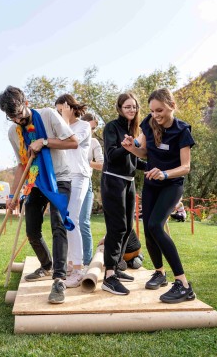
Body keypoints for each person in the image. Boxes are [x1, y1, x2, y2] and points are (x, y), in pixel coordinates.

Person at [0, 86, 78, 304]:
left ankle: (59, 280)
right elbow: (21, 164)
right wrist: (13, 195)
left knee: (58, 224)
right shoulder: (13, 132)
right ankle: (46, 265)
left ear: (27, 101)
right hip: (35, 180)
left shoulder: (48, 115)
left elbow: (73, 142)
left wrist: (43, 142)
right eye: (11, 117)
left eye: (19, 113)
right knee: (32, 230)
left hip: (60, 177)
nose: (17, 119)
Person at [122, 87, 196, 304]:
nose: (156, 115)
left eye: (160, 110)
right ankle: (160, 273)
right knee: (148, 229)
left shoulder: (182, 131)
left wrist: (165, 173)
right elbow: (143, 151)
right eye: (153, 111)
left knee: (155, 225)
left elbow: (186, 167)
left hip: (172, 185)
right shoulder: (148, 123)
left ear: (172, 106)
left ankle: (183, 285)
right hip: (152, 184)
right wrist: (130, 148)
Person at [101, 92, 146, 296]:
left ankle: (117, 268)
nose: (131, 110)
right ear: (119, 108)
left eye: (134, 107)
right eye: (127, 106)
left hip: (129, 183)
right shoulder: (111, 127)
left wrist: (159, 166)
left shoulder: (133, 130)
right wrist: (129, 147)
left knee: (128, 227)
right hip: (113, 180)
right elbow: (111, 156)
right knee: (116, 228)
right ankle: (109, 276)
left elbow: (135, 162)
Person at [55, 94, 91, 287]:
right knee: (65, 219)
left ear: (70, 107)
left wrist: (66, 120)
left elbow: (73, 140)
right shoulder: (61, 126)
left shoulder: (83, 126)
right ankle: (71, 264)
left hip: (80, 176)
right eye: (58, 111)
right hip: (65, 177)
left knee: (72, 220)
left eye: (61, 110)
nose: (59, 114)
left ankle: (78, 269)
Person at [79, 113, 104, 271]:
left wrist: (84, 161)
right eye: (90, 127)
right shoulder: (71, 138)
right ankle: (70, 261)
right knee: (67, 223)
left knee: (83, 222)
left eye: (94, 128)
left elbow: (102, 165)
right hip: (69, 183)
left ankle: (87, 261)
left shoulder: (94, 142)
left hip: (86, 183)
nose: (92, 131)